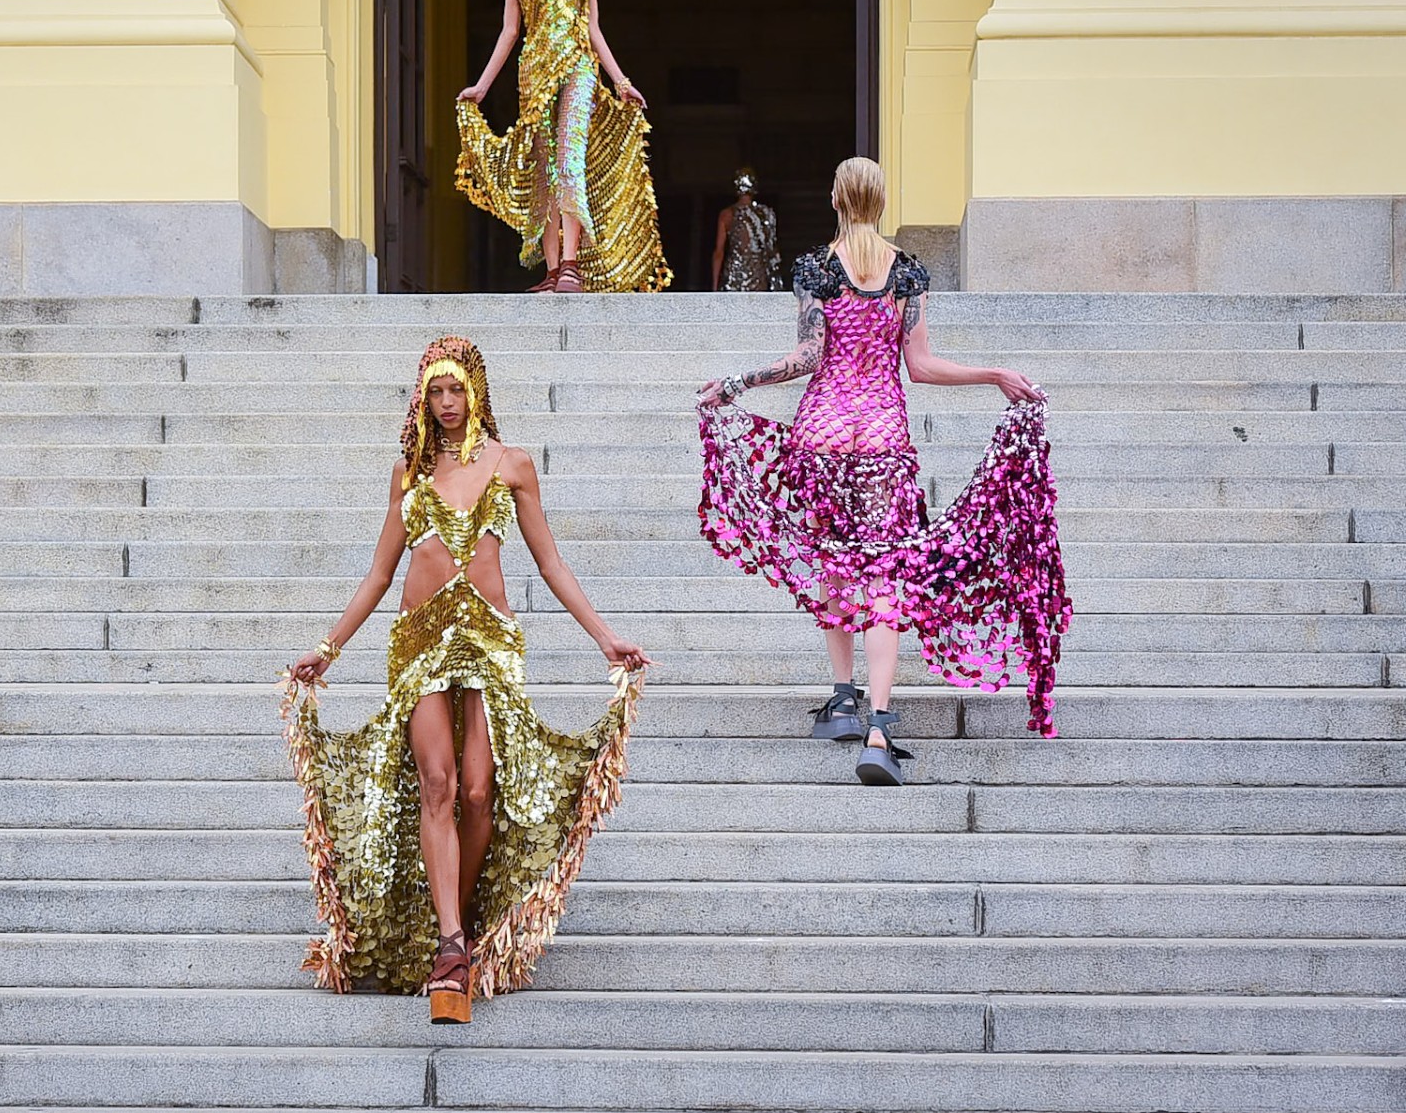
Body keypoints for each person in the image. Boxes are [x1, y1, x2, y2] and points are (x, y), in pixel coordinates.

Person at [282, 337, 652, 1024]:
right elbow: (379, 574)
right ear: (422, 400)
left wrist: (606, 637)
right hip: (420, 644)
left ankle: (456, 908)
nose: (446, 405)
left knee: (480, 791)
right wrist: (327, 649)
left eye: (455, 391)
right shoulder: (407, 475)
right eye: (434, 394)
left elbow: (551, 564)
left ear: (476, 391)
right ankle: (452, 944)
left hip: (489, 643)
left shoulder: (513, 465)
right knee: (440, 783)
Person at [696, 157, 1070, 784]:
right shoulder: (906, 274)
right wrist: (996, 375)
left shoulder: (816, 268)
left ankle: (842, 696)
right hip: (882, 444)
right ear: (882, 199)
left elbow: (808, 357)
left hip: (821, 438)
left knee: (832, 565)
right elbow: (919, 366)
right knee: (883, 580)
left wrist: (735, 384)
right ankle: (877, 728)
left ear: (836, 198)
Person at [455, 0, 670, 295]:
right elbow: (509, 30)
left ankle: (572, 264)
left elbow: (592, 27)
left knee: (570, 160)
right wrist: (481, 87)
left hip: (579, 69)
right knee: (543, 169)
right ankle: (552, 270)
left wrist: (620, 80)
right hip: (535, 72)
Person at [711, 168, 785, 292]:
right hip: (759, 275)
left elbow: (719, 252)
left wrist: (714, 285)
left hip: (734, 276)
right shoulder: (766, 214)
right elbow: (772, 249)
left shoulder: (727, 214)